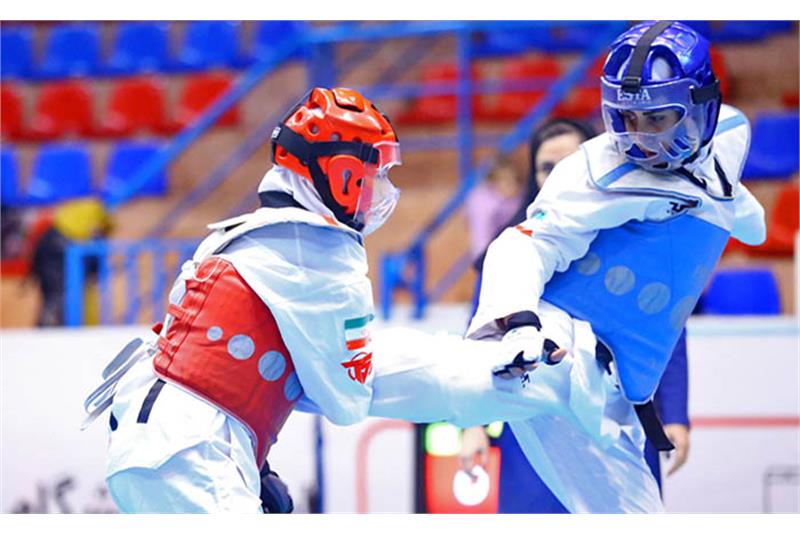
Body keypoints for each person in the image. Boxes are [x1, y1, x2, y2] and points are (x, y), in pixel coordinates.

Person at [366, 21, 765, 513]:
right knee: (469, 382)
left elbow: (727, 212)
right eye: (626, 120)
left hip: (615, 401)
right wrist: (518, 325)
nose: (639, 140)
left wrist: (743, 217)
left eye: (657, 118)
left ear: (700, 107)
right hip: (561, 346)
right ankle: (335, 363)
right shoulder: (595, 172)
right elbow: (520, 246)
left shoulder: (730, 134)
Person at [83, 87, 402, 513]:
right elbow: (348, 400)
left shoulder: (230, 238)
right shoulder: (322, 256)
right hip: (190, 453)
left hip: (146, 444)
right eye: (375, 173)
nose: (381, 189)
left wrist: (260, 468)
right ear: (342, 175)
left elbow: (207, 366)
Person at [460, 118, 692, 513]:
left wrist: (676, 414)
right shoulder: (510, 253)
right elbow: (480, 342)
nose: (557, 175)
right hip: (535, 428)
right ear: (533, 175)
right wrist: (472, 424)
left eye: (569, 162)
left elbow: (665, 334)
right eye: (546, 167)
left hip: (619, 419)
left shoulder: (633, 243)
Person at [30, 197, 112, 326]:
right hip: (55, 265)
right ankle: (51, 328)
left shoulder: (60, 228)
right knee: (58, 300)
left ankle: (50, 328)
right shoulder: (85, 226)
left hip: (52, 263)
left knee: (56, 301)